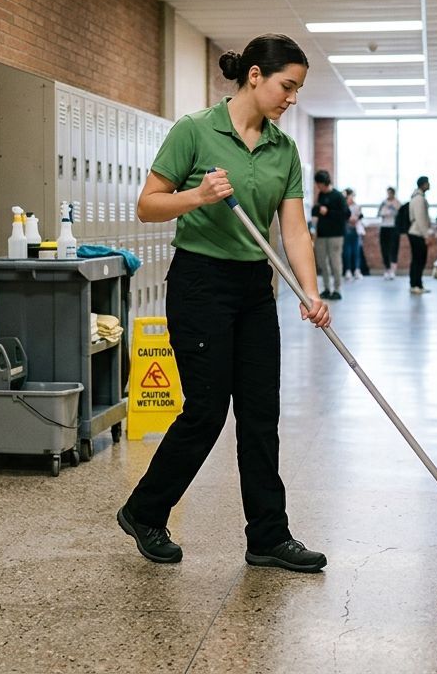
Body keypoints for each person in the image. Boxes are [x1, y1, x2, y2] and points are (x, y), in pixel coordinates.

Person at [117, 33, 332, 574]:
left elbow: (294, 231)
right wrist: (198, 195)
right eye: (287, 86)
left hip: (255, 288)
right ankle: (145, 511)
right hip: (201, 282)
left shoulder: (283, 149)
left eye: (298, 90)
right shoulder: (195, 130)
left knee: (261, 414)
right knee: (207, 410)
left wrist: (311, 291)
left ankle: (269, 536)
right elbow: (147, 205)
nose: (292, 98)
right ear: (255, 76)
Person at [311, 169, 348, 299]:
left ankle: (337, 289)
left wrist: (328, 212)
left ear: (324, 183)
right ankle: (327, 288)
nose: (317, 186)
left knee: (335, 262)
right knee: (322, 263)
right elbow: (317, 211)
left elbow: (345, 214)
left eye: (318, 184)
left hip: (336, 235)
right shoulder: (321, 195)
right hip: (321, 235)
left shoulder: (338, 196)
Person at [407, 175, 432, 295]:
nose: (429, 185)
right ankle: (415, 284)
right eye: (427, 183)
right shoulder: (419, 199)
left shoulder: (419, 197)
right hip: (417, 233)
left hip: (418, 233)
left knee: (419, 260)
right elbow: (421, 218)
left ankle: (418, 284)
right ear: (423, 184)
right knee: (418, 260)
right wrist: (426, 235)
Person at [377, 187, 402, 279]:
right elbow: (379, 213)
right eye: (388, 193)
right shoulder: (383, 202)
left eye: (390, 193)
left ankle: (393, 269)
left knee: (393, 248)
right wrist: (384, 212)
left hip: (394, 228)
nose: (389, 195)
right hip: (384, 227)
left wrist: (392, 210)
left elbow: (400, 214)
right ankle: (387, 268)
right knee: (384, 249)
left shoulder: (397, 203)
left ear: (393, 193)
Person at [341, 188, 364, 281]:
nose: (352, 198)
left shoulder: (357, 206)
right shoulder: (344, 206)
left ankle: (357, 270)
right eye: (351, 196)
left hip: (356, 230)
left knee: (356, 251)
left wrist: (356, 219)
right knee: (347, 251)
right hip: (347, 230)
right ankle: (348, 270)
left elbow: (360, 215)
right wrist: (349, 219)